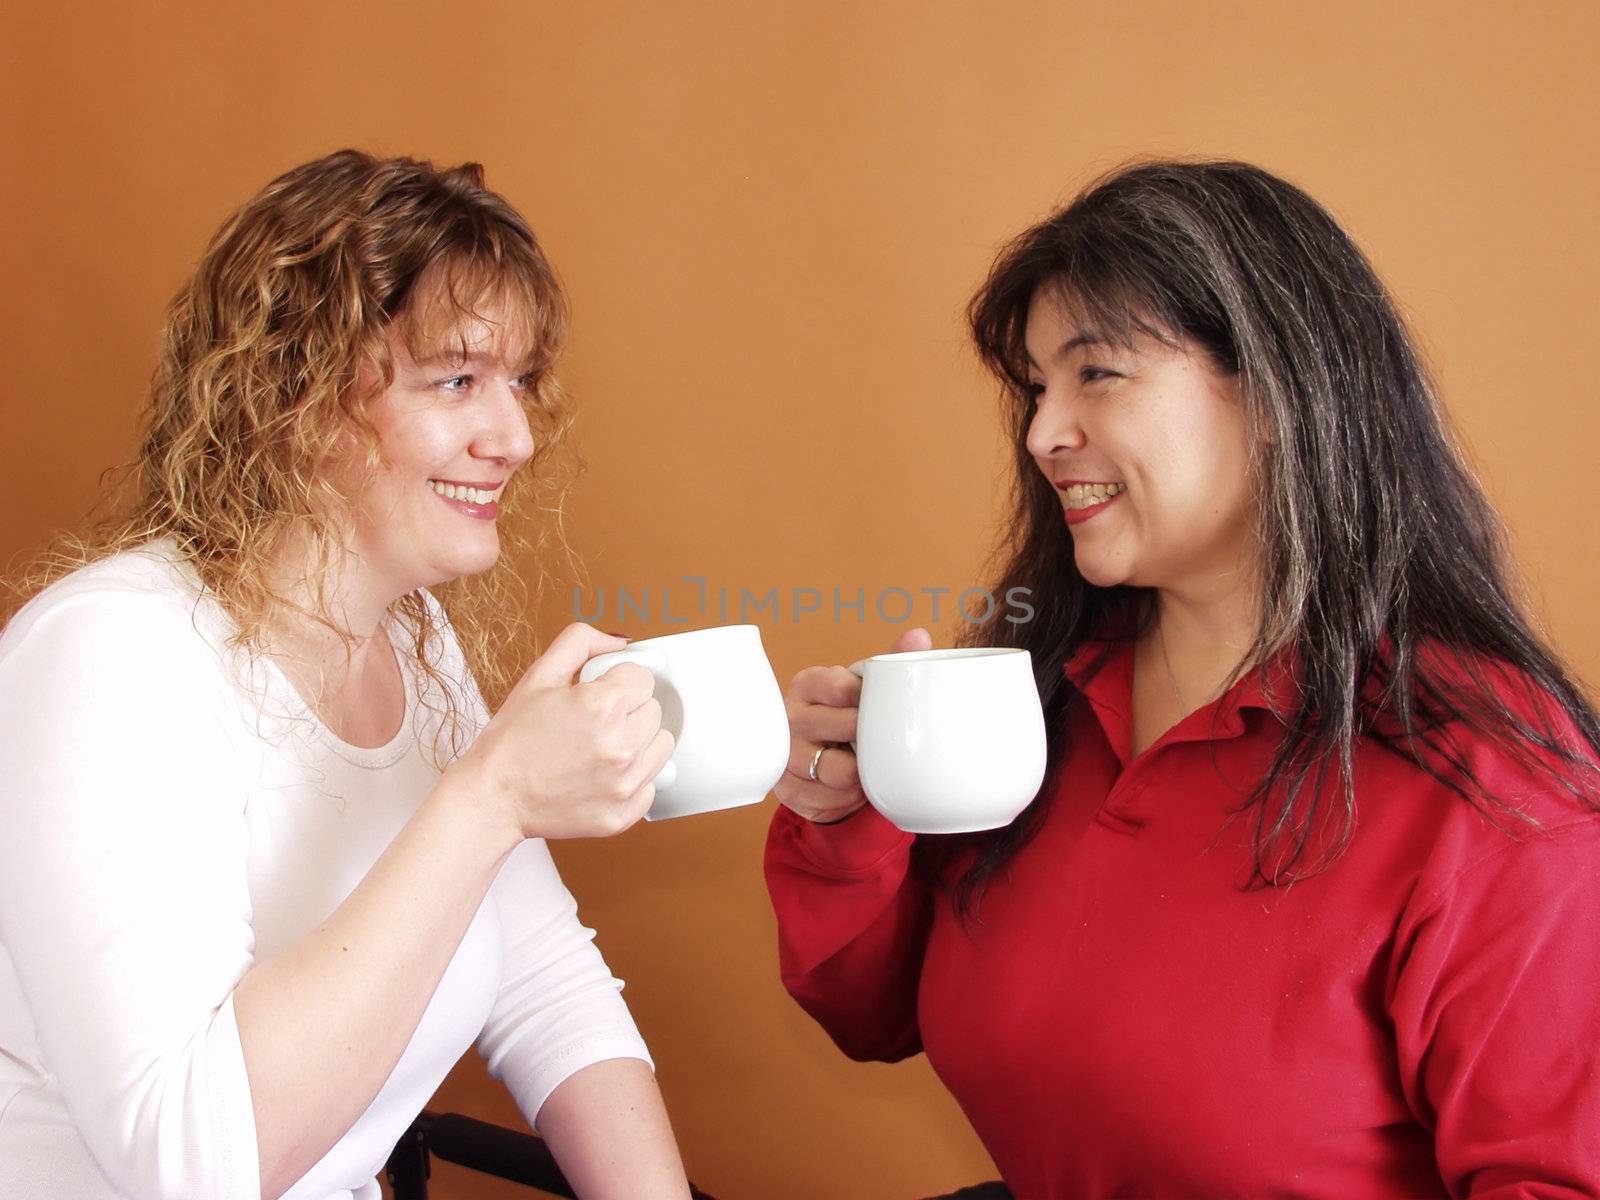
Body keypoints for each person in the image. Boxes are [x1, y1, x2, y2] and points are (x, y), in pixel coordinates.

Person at [766, 160, 1600, 1197]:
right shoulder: (1043, 696)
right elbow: (872, 1015)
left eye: (1096, 374)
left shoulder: (1491, 781)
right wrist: (850, 818)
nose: (1039, 434)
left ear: (1277, 391)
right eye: (1035, 388)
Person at [0, 150, 692, 1200]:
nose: (511, 436)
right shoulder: (110, 656)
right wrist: (492, 797)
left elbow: (549, 990)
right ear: (293, 396)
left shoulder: (413, 643)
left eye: (518, 383)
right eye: (455, 378)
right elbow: (192, 1167)